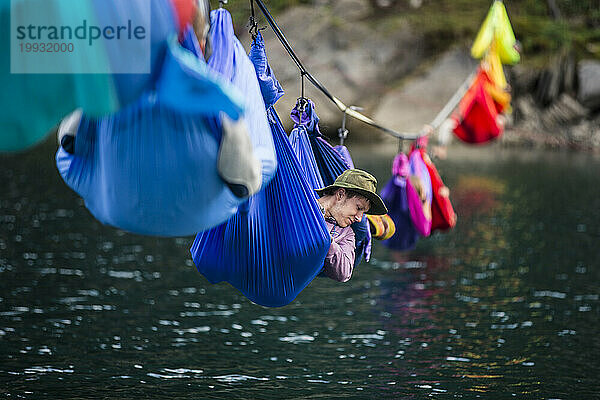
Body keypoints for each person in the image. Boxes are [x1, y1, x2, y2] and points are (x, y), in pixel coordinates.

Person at [315, 169, 388, 282]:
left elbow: (344, 273)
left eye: (363, 212)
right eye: (358, 208)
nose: (359, 218)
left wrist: (327, 240)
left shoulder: (347, 234)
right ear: (340, 194)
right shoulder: (302, 205)